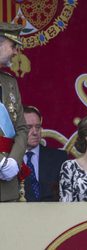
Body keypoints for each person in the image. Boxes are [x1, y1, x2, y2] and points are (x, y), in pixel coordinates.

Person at [0, 22, 28, 201]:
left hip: (6, 183)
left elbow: (21, 128)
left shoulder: (10, 83)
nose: (16, 52)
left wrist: (13, 161)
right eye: (13, 46)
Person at [23, 106, 68, 201]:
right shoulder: (7, 159)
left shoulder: (59, 158)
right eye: (29, 127)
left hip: (53, 214)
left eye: (38, 127)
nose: (35, 132)